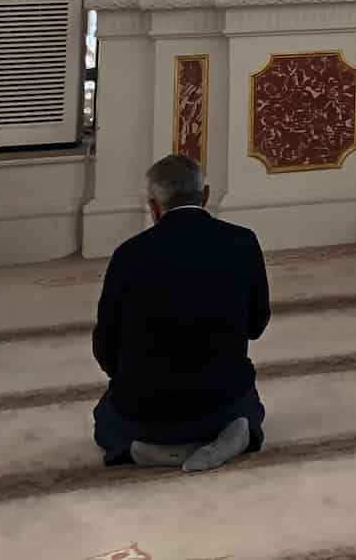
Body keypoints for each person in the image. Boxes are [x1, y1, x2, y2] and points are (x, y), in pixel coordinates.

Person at [93, 154, 270, 472]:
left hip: (147, 409)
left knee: (105, 419)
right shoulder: (243, 242)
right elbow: (257, 324)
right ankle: (236, 434)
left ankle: (146, 449)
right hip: (221, 401)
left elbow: (105, 347)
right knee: (249, 403)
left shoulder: (128, 256)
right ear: (205, 195)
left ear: (153, 206)